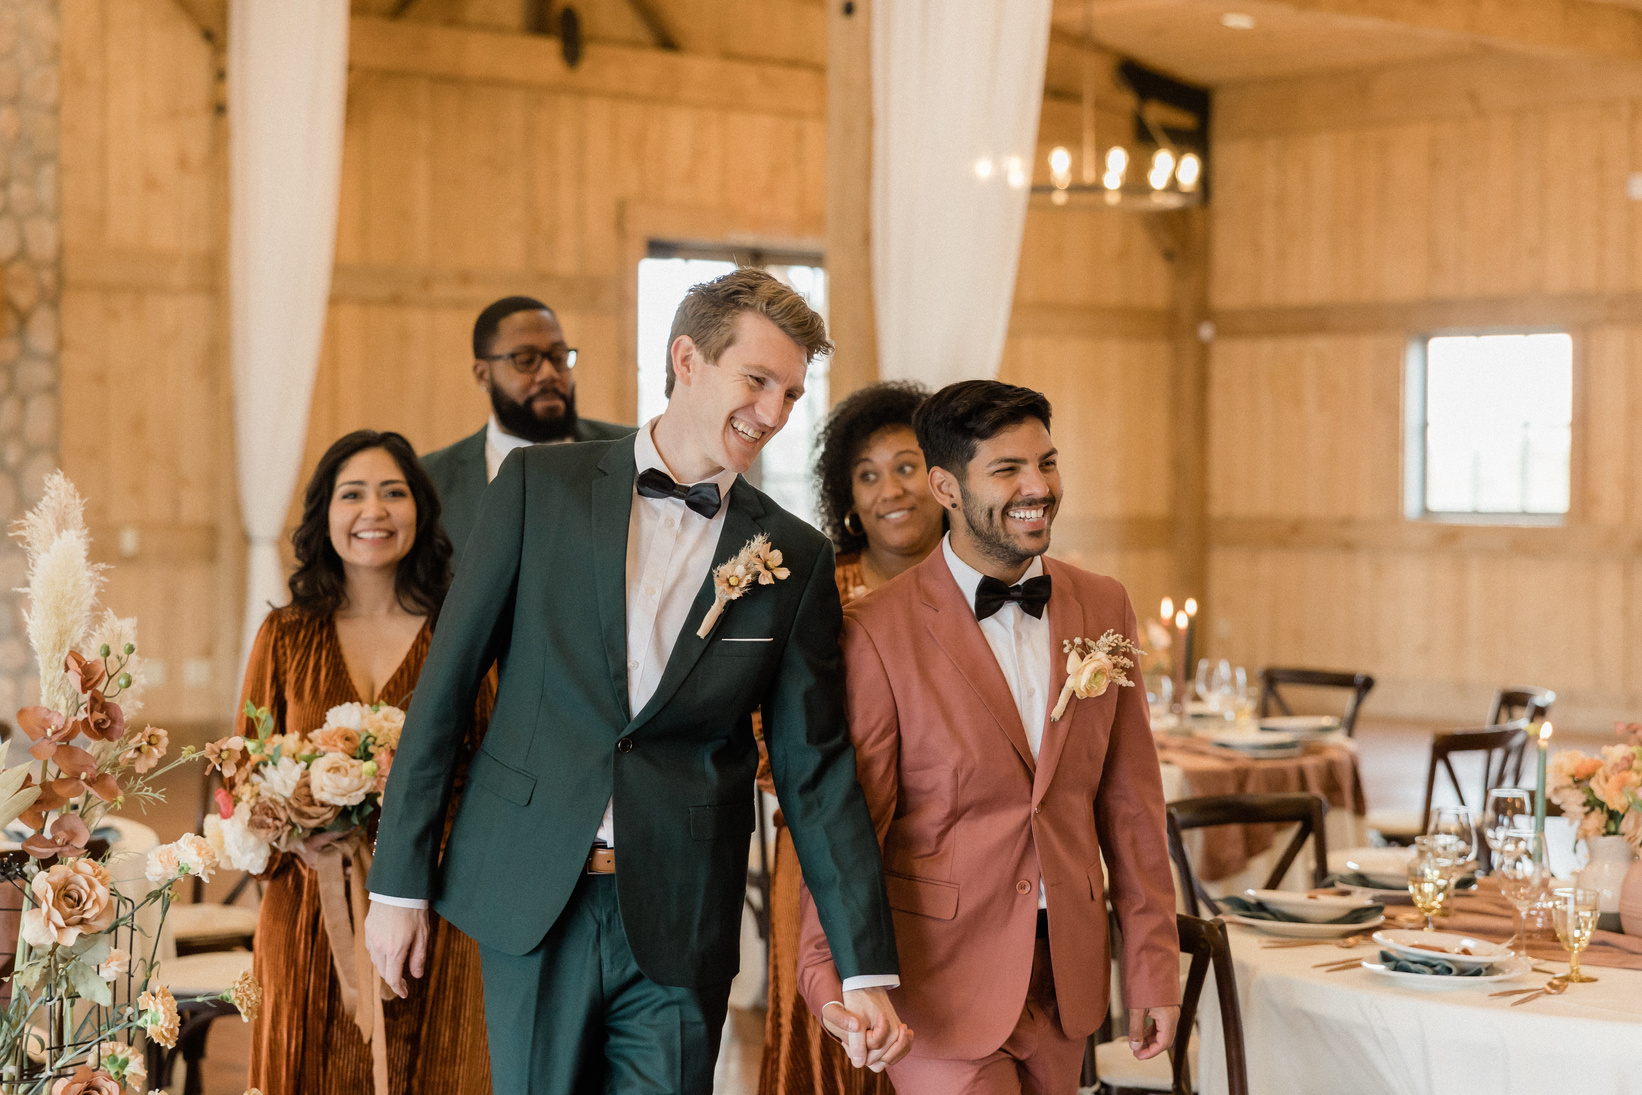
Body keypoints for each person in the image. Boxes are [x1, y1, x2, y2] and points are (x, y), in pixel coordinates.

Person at [366, 268, 913, 1094]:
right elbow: (443, 691)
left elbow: (818, 767)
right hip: (527, 894)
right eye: (757, 380)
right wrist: (398, 882)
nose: (772, 413)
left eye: (792, 393)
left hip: (682, 914)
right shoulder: (534, 489)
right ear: (686, 359)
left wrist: (865, 966)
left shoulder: (792, 557)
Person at [797, 380, 1181, 1095]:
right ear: (946, 485)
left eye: (1047, 462)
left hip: (1065, 980)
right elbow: (847, 823)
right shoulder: (876, 632)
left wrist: (1153, 966)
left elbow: (1132, 806)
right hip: (940, 986)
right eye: (1007, 470)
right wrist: (830, 972)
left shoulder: (1104, 604)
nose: (1037, 486)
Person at [239, 429, 491, 1095]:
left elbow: (496, 767)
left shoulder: (464, 632)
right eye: (353, 493)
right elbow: (241, 773)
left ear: (422, 510)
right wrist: (293, 824)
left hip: (444, 909)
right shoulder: (285, 635)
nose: (374, 511)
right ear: (325, 512)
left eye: (393, 493)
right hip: (310, 915)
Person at [760, 381, 945, 1095]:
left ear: (941, 477)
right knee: (830, 1033)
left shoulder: (976, 589)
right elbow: (763, 721)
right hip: (819, 844)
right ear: (846, 495)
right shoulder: (816, 588)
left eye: (905, 465)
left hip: (946, 848)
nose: (889, 489)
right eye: (866, 475)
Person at [421, 296, 632, 565]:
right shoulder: (432, 478)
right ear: (482, 374)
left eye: (558, 357)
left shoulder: (629, 451)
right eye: (525, 359)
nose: (548, 374)